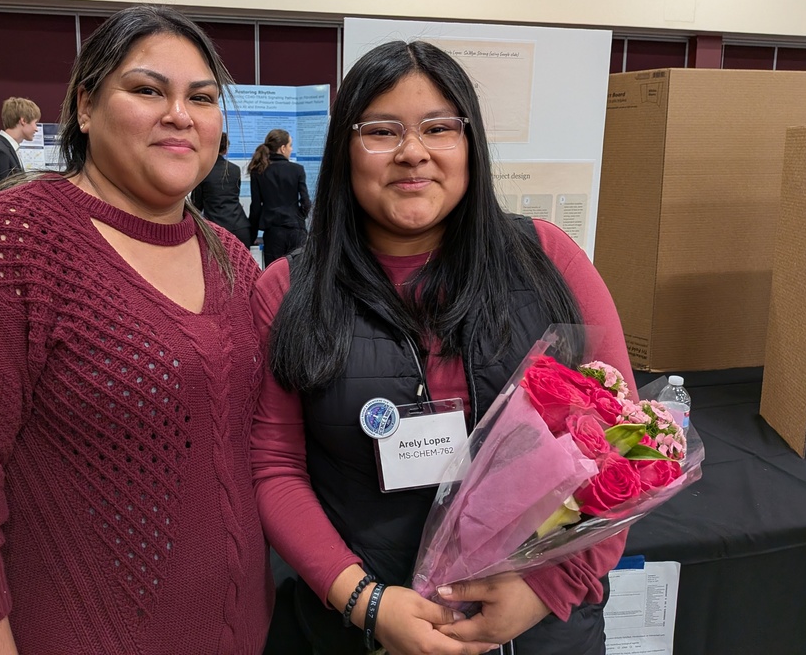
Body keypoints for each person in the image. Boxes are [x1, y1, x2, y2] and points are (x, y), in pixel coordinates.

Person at [0, 6, 273, 654]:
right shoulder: (5, 247)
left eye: (201, 97)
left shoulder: (230, 260)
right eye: (147, 90)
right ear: (85, 106)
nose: (179, 113)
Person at [251, 40, 634, 655]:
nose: (412, 152)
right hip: (358, 630)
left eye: (438, 128)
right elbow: (275, 467)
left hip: (540, 633)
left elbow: (625, 443)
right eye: (381, 130)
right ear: (346, 150)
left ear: (470, 143)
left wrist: (544, 588)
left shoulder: (548, 262)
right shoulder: (289, 291)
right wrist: (364, 602)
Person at [248, 128, 310, 267]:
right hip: (296, 230)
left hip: (273, 233)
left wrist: (252, 235)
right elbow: (306, 202)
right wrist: (299, 217)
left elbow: (256, 207)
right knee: (298, 278)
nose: (291, 149)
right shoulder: (297, 169)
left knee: (274, 278)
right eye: (290, 145)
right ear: (282, 148)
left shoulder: (258, 171)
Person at [191, 132, 253, 246]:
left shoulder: (204, 171)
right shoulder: (235, 169)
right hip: (239, 227)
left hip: (215, 230)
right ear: (225, 150)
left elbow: (196, 204)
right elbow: (235, 194)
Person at [0, 97, 40, 190]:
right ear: (23, 121)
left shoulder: (9, 149)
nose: (36, 129)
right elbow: (1, 197)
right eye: (35, 123)